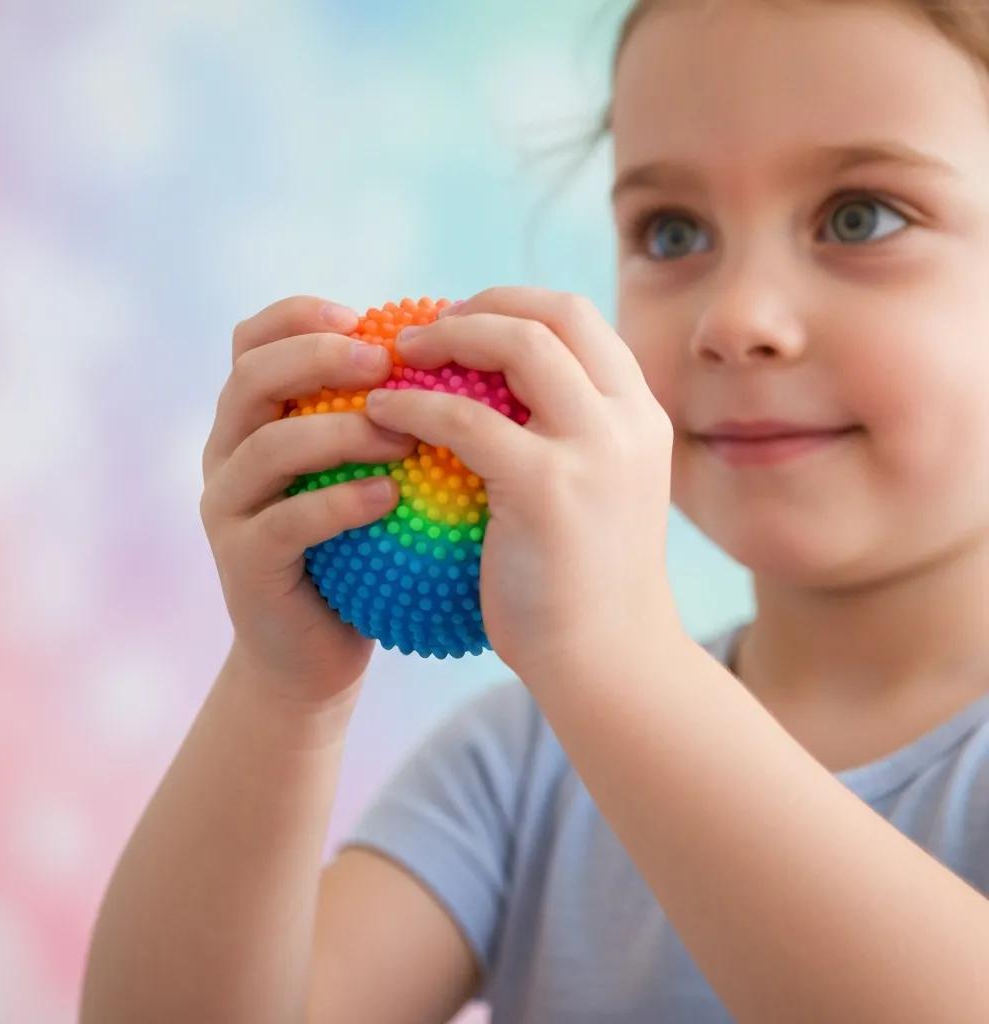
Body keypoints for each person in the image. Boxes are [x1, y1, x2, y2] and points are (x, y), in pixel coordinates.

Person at [79, 1, 989, 1021]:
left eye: (862, 216)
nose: (735, 319)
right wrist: (280, 692)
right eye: (672, 231)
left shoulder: (599, 686)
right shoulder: (526, 764)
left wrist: (619, 658)